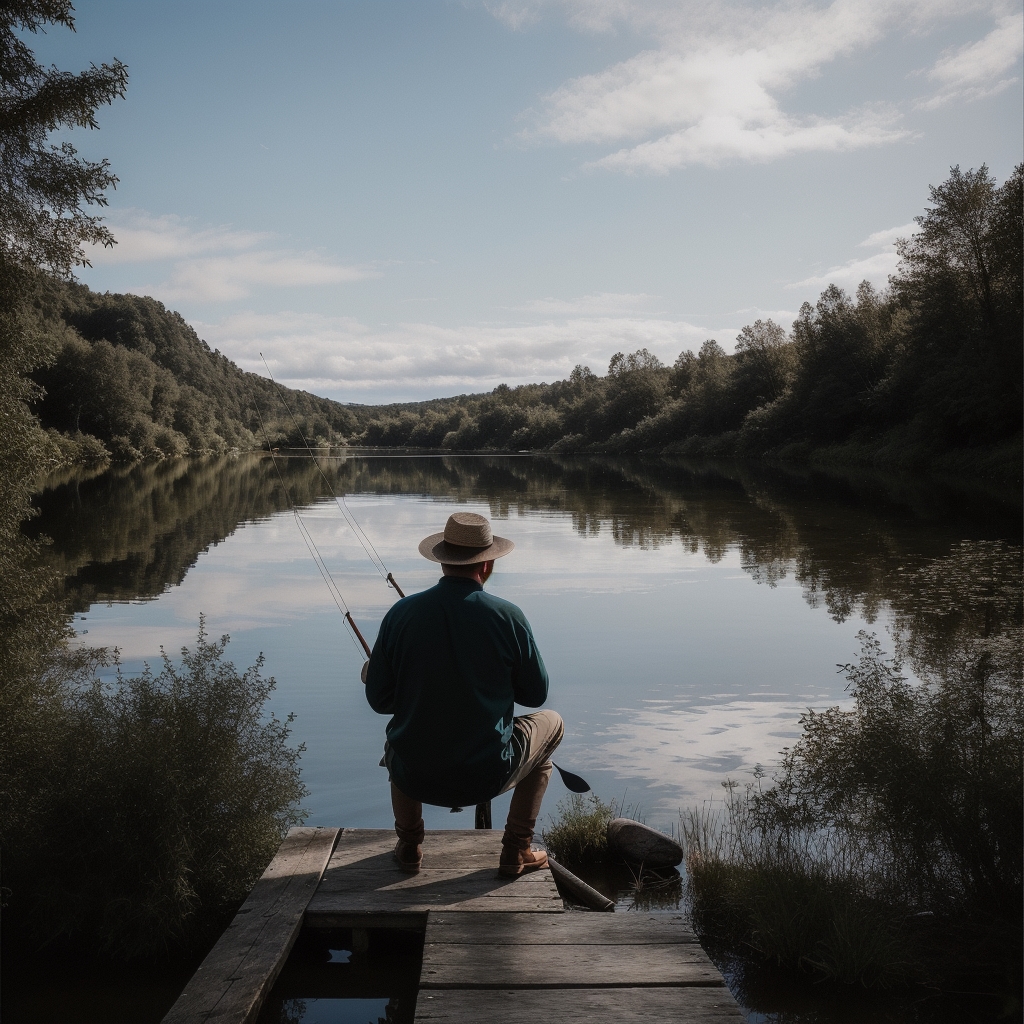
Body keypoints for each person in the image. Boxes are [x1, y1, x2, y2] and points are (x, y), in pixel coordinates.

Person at [364, 511, 563, 877]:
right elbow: (536, 696)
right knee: (552, 726)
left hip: (417, 775)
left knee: (398, 739)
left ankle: (409, 846)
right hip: (488, 773)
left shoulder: (400, 615)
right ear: (486, 565)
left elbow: (379, 702)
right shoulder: (509, 617)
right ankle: (516, 850)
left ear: (442, 561)